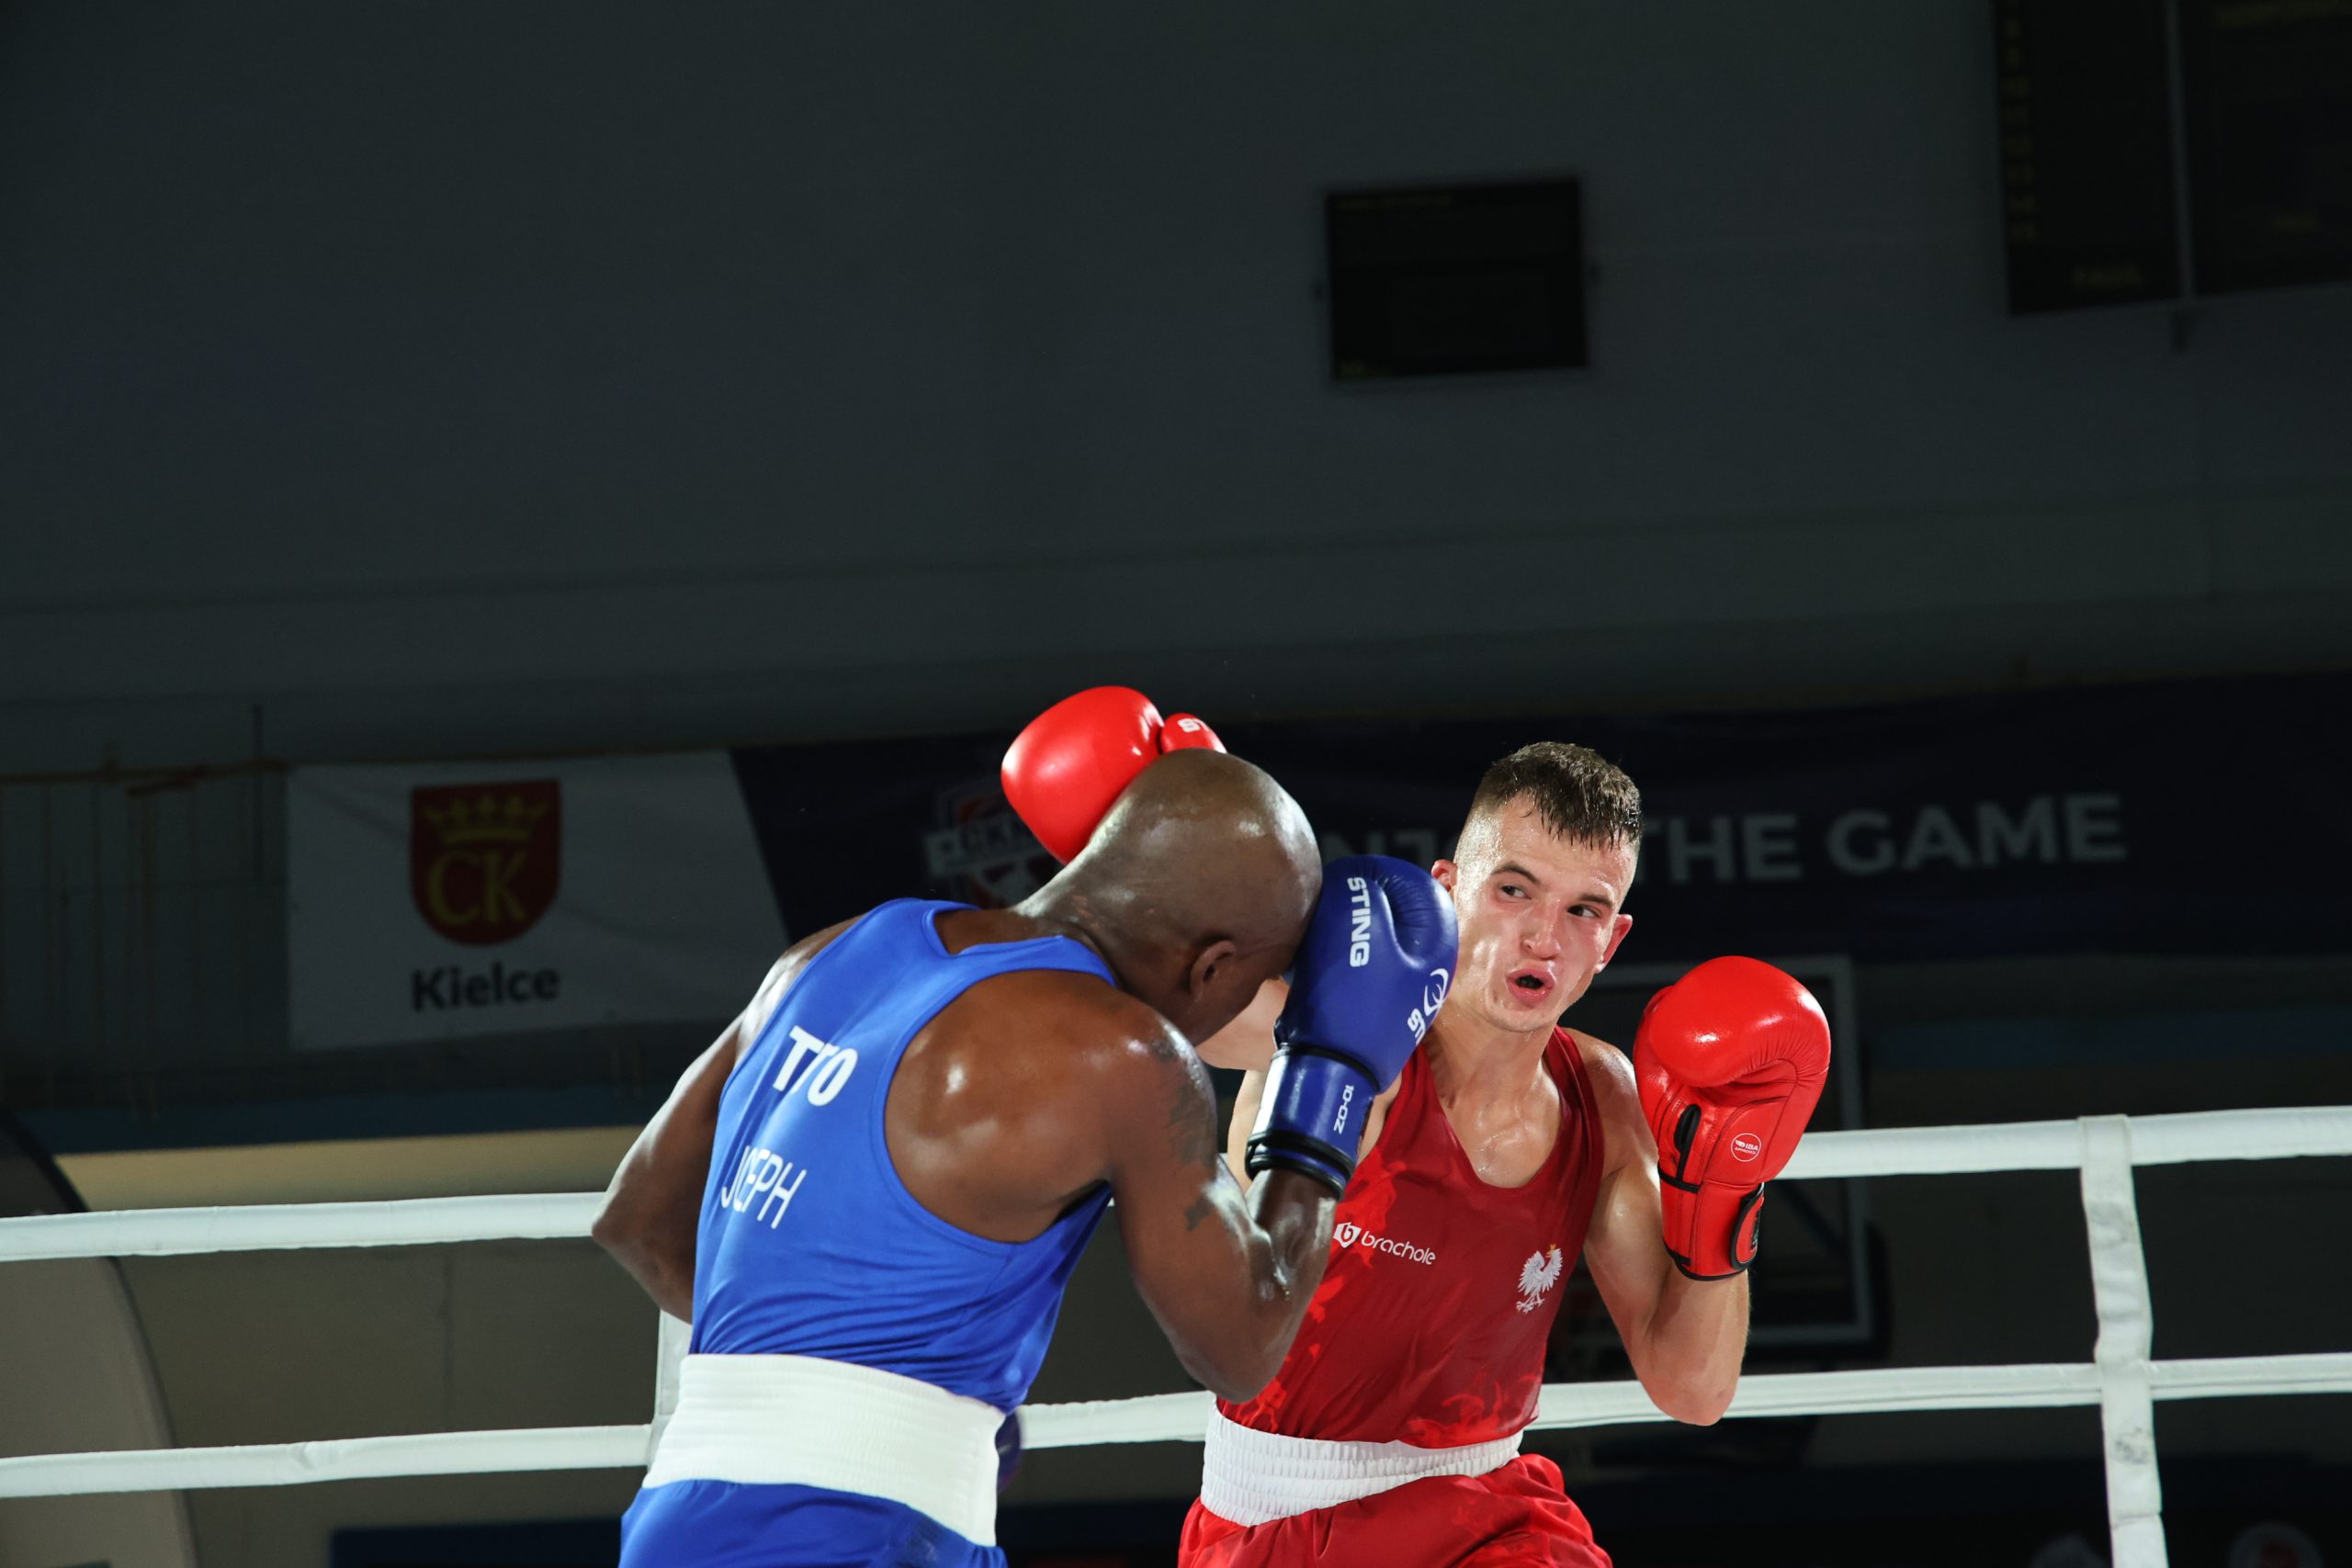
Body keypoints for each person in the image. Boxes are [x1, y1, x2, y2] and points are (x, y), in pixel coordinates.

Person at [591, 688, 1456, 1568]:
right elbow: (1242, 1343)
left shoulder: (826, 952)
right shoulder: (1124, 1052)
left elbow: (638, 1221)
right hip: (860, 1535)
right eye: (1255, 983)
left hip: (677, 1517)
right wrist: (1327, 1080)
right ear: (1212, 965)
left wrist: (875, 1400)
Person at [1179, 741, 1832, 1567]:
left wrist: (1727, 1194)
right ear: (1448, 888)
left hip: (1493, 1514)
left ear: (1613, 940)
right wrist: (1162, 856)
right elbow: (1175, 1008)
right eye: (1514, 888)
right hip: (1283, 1522)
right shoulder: (1341, 1038)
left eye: (1583, 910)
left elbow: (1694, 1390)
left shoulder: (1603, 1097)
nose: (1543, 938)